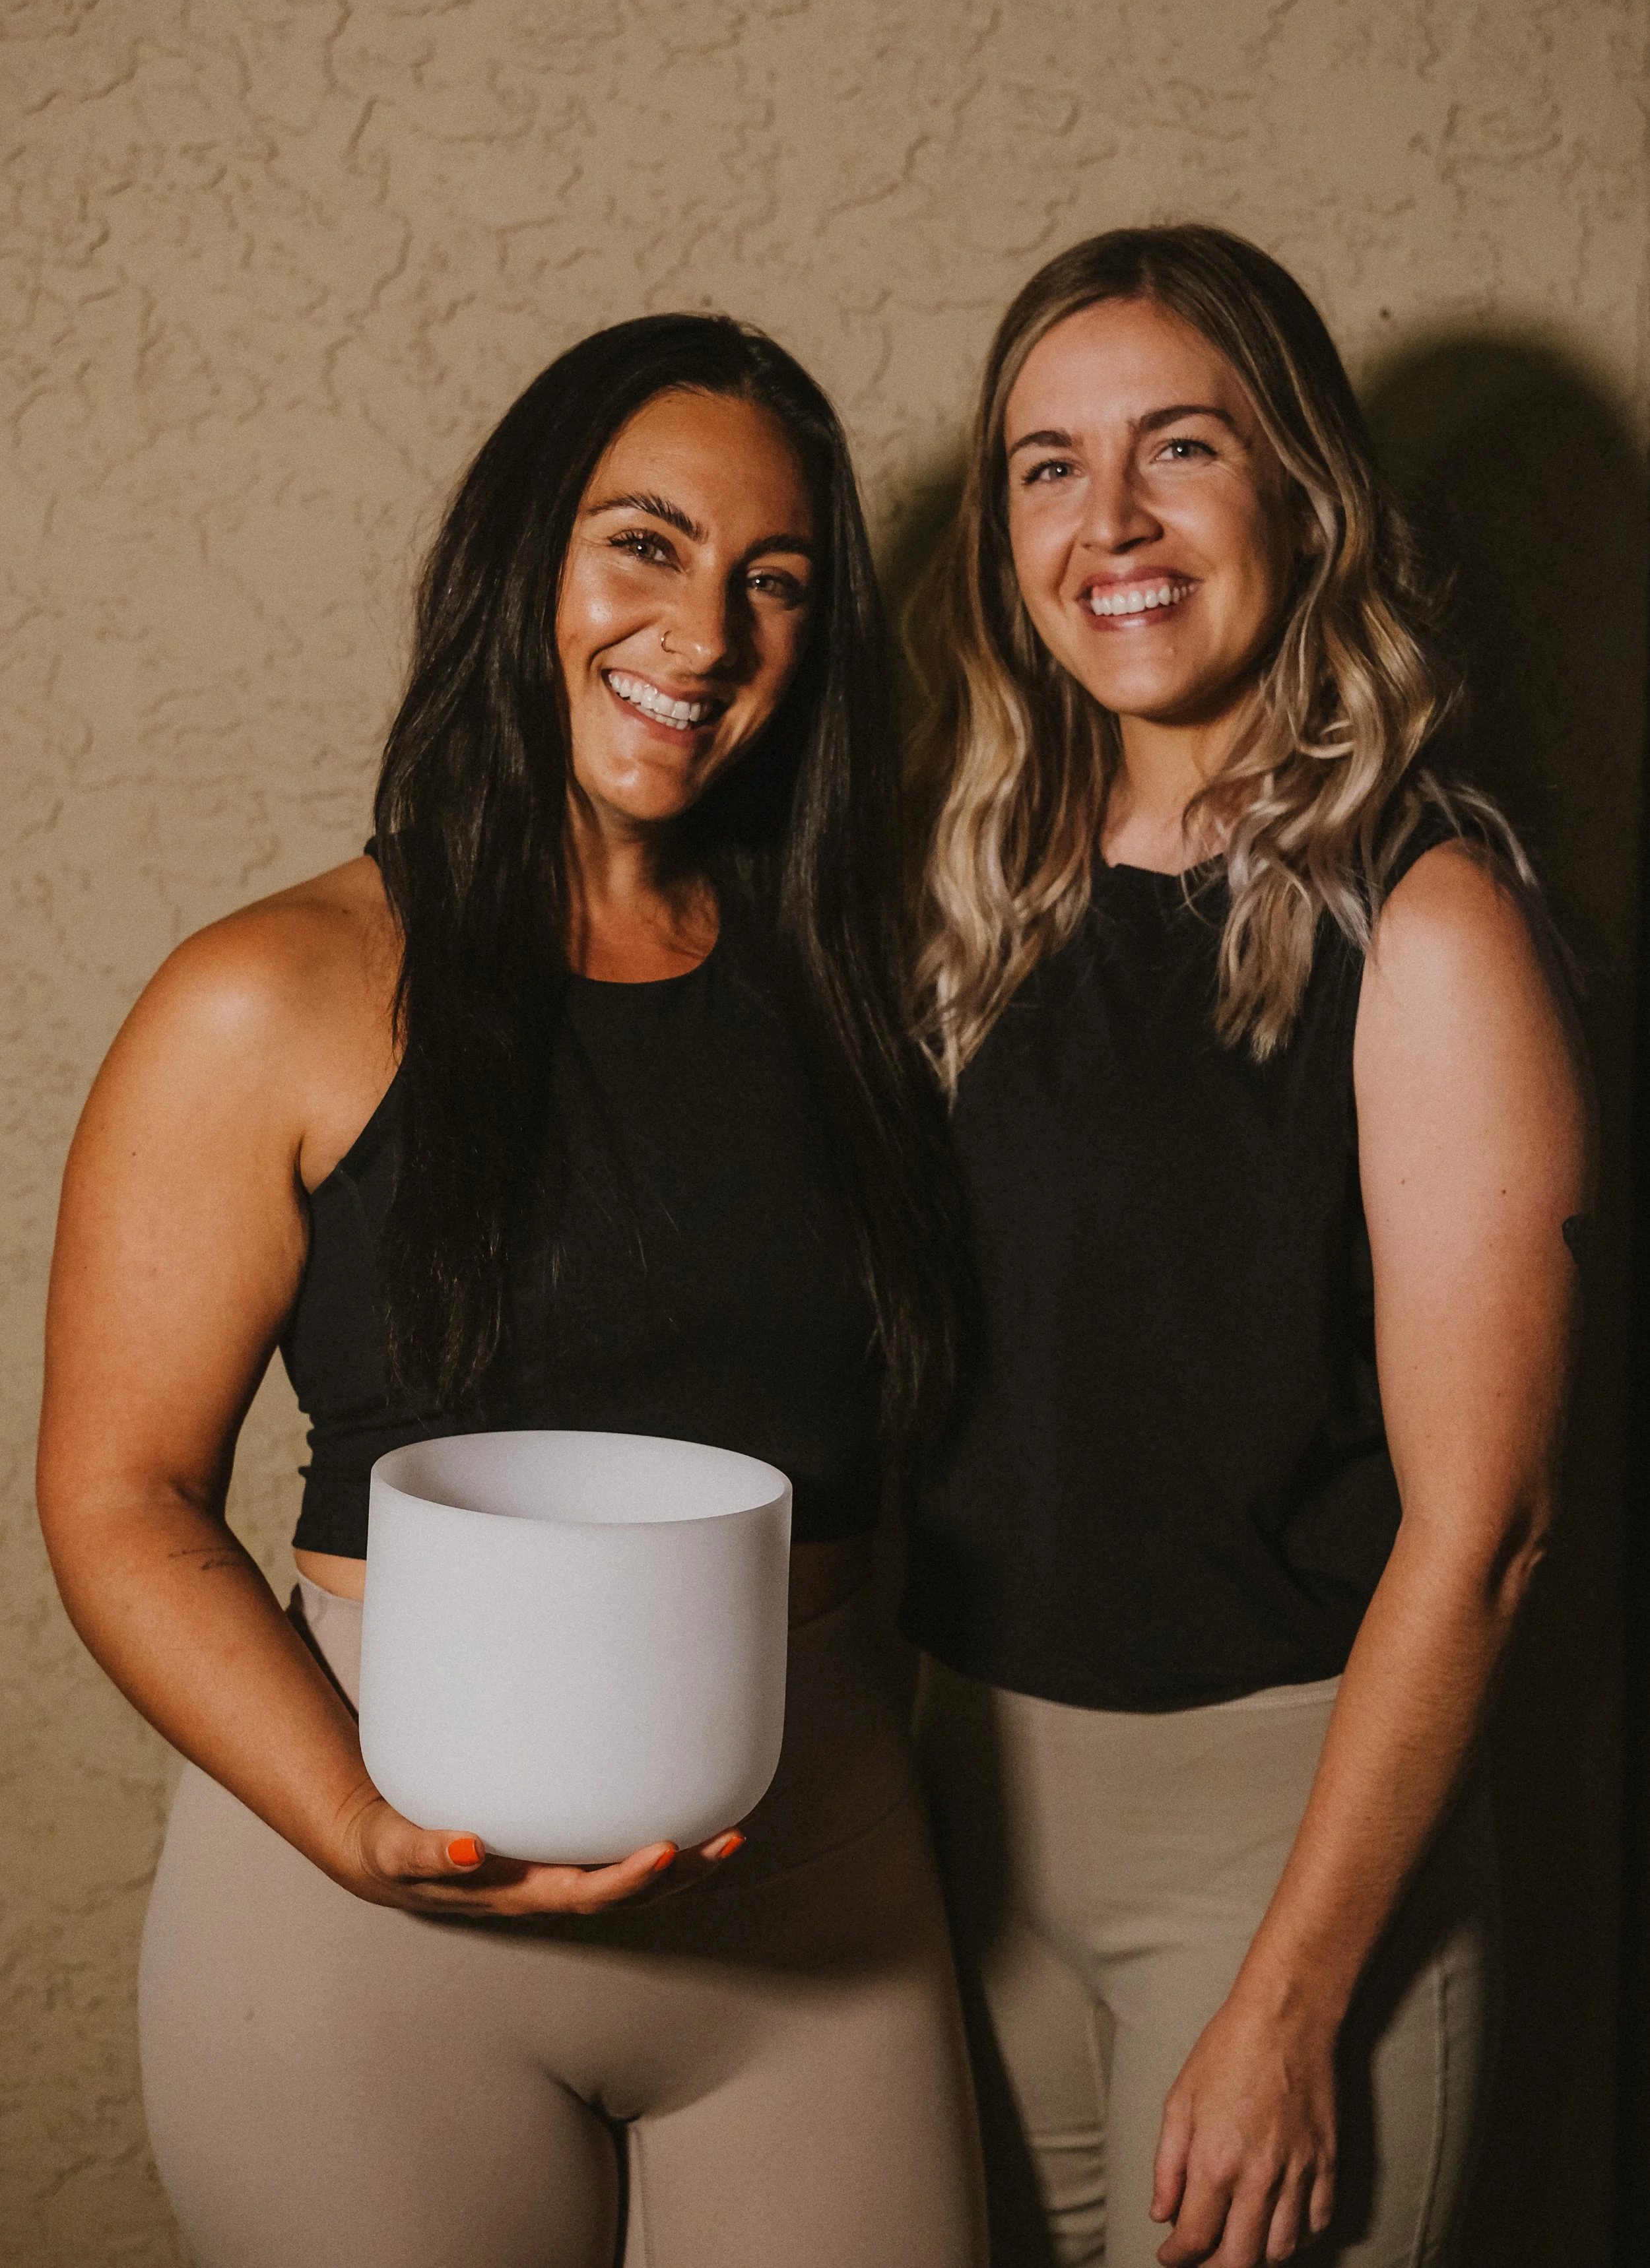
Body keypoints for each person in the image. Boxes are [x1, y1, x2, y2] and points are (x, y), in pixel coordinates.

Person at [38, 315, 986, 2268]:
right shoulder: (269, 993)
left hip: (812, 1895)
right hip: (368, 1913)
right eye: (642, 546)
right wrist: (355, 1821)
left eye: (772, 582)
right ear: (519, 562)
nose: (703, 633)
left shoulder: (868, 991)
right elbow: (116, 1491)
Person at [898, 227, 1587, 2268]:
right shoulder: (971, 898)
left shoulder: (1429, 917)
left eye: (1175, 447)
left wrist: (1290, 1998)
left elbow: (1491, 1525)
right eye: (1043, 463)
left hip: (1279, 1850)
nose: (1104, 520)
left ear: (1298, 492)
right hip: (968, 1821)